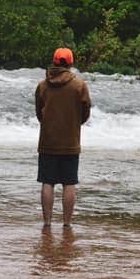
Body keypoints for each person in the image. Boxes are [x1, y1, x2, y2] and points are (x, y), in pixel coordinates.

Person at [35, 47, 91, 228]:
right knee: (69, 183)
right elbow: (85, 113)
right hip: (70, 141)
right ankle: (67, 224)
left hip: (48, 141)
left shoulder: (43, 85)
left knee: (47, 182)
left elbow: (39, 113)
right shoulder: (79, 85)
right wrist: (74, 124)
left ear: (54, 62)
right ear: (71, 63)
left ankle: (47, 223)